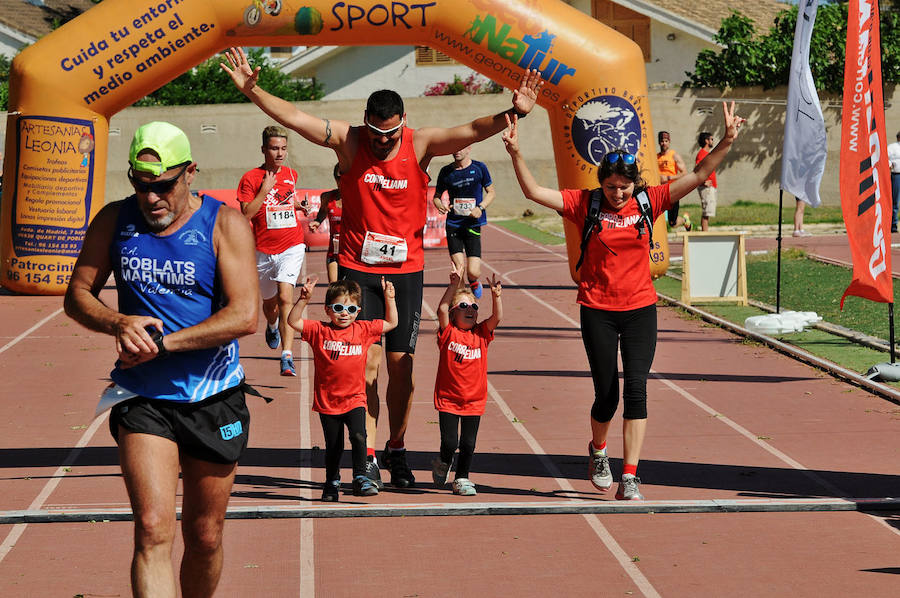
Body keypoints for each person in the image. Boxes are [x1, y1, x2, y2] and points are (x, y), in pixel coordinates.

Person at [221, 46, 543, 489]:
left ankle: (396, 447)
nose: (383, 142)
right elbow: (295, 117)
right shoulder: (349, 141)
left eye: (390, 135)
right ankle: (367, 456)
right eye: (376, 133)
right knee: (366, 362)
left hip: (406, 273)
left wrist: (514, 111)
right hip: (359, 270)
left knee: (402, 367)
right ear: (366, 123)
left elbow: (469, 129)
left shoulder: (421, 143)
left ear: (402, 124)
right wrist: (253, 90)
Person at [502, 103, 745, 500]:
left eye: (625, 187)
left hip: (639, 310)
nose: (618, 194)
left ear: (635, 184)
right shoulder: (586, 204)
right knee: (607, 395)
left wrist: (727, 140)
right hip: (597, 309)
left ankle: (629, 474)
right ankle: (598, 450)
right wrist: (516, 153)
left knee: (637, 389)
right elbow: (533, 192)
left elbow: (700, 174)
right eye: (612, 186)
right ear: (602, 184)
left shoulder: (651, 201)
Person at [63, 122, 259, 595]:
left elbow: (245, 315)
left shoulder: (224, 224)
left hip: (213, 395)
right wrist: (116, 323)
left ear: (190, 172)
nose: (151, 198)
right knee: (152, 528)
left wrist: (162, 343)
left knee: (205, 535)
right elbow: (77, 295)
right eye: (140, 184)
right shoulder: (114, 220)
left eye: (163, 186)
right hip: (142, 395)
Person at [287, 276, 398, 501]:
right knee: (334, 446)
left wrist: (390, 299)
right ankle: (331, 482)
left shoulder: (363, 330)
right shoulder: (319, 331)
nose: (344, 313)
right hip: (328, 402)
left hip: (355, 399)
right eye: (338, 308)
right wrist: (303, 300)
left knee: (359, 436)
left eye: (350, 308)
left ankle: (360, 477)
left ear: (358, 311)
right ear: (328, 310)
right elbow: (293, 321)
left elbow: (391, 323)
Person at [237, 125, 310, 377]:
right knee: (270, 304)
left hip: (292, 244)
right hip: (263, 250)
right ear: (264, 149)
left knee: (285, 297)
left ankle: (287, 355)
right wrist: (264, 190)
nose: (280, 153)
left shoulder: (291, 173)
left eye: (283, 148)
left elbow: (286, 202)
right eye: (275, 148)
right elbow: (246, 213)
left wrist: (299, 206)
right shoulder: (250, 178)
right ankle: (272, 324)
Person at [431, 264, 502, 496]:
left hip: (474, 400)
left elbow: (497, 317)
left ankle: (462, 478)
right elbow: (441, 308)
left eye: (473, 306)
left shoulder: (481, 334)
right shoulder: (448, 333)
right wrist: (453, 286)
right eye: (463, 306)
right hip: (448, 399)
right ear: (453, 312)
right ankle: (443, 459)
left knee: (469, 444)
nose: (470, 309)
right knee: (451, 443)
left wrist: (495, 296)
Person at [432, 145, 496, 297]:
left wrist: (480, 207)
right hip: (453, 225)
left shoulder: (479, 168)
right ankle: (460, 303)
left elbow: (491, 192)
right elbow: (437, 196)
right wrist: (440, 205)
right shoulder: (446, 172)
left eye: (461, 148)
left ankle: (473, 281)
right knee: (459, 270)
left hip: (472, 225)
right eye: (454, 148)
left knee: (473, 271)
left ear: (469, 149)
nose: (457, 151)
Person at [309, 164, 343, 283]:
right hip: (334, 250)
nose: (342, 180)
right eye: (339, 177)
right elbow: (323, 211)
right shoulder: (327, 197)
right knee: (334, 288)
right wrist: (317, 221)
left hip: (352, 252)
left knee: (351, 291)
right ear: (335, 178)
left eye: (345, 176)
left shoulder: (358, 197)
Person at [656, 131, 690, 232]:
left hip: (672, 190)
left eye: (666, 141)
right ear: (659, 142)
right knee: (657, 217)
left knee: (673, 223)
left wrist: (669, 178)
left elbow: (684, 173)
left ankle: (684, 220)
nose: (664, 143)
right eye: (662, 141)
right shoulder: (656, 157)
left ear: (669, 142)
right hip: (660, 191)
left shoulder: (674, 155)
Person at [695, 131, 718, 231]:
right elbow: (697, 169)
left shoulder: (707, 154)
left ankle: (705, 234)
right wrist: (704, 182)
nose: (713, 141)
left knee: (707, 212)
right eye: (711, 139)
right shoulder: (702, 154)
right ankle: (704, 236)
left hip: (710, 187)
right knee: (706, 212)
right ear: (706, 141)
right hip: (706, 188)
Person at [888, 131, 900, 233]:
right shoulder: (892, 147)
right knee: (895, 200)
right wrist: (890, 165)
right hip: (897, 175)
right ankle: (893, 224)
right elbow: (886, 158)